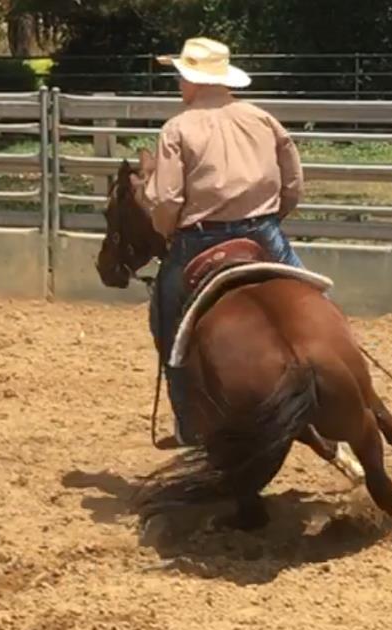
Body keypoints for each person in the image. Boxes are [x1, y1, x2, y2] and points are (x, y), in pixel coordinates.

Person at [129, 37, 308, 450]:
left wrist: (168, 231)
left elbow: (167, 199)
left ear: (194, 80)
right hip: (264, 234)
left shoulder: (177, 129)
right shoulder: (263, 119)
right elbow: (294, 183)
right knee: (314, 295)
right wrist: (271, 219)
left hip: (200, 239)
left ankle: (189, 422)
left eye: (181, 76)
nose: (178, 83)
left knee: (166, 318)